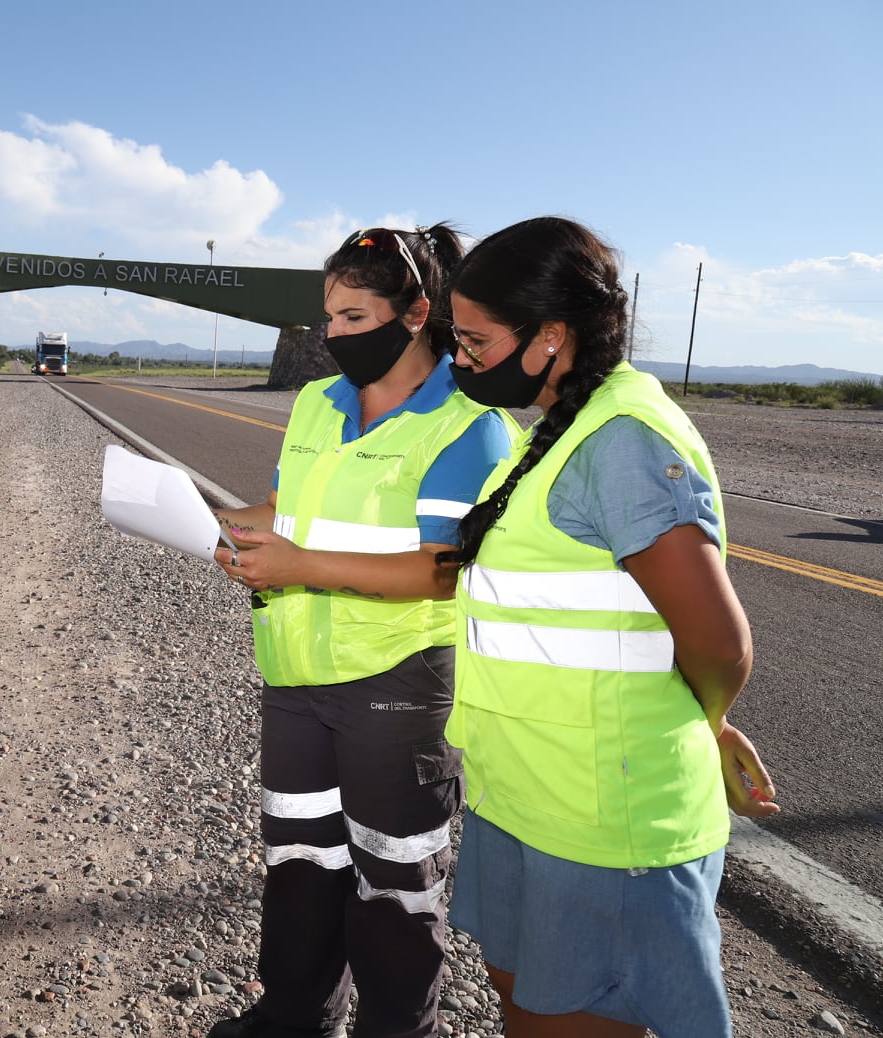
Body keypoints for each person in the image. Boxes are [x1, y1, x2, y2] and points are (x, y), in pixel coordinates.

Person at [436, 216, 780, 1038]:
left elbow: (720, 642)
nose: (461, 360)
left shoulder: (622, 438)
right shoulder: (559, 430)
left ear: (551, 336)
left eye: (476, 341)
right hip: (524, 794)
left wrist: (709, 722)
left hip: (603, 823)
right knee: (523, 1004)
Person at [207, 225, 518, 1038]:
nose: (333, 334)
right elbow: (286, 511)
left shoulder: (467, 424)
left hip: (395, 682)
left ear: (416, 314)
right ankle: (295, 1019)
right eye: (329, 316)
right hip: (296, 677)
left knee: (394, 882)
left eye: (353, 317)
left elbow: (442, 569)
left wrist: (300, 565)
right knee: (300, 863)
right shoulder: (319, 401)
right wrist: (217, 524)